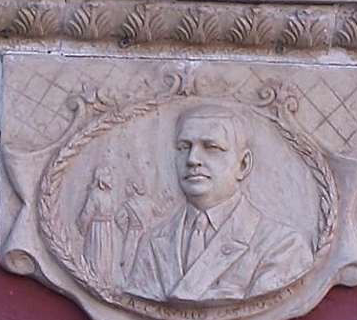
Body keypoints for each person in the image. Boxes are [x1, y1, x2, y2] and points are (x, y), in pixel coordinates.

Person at [126, 106, 311, 304]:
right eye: (183, 147)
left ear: (243, 165)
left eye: (211, 147)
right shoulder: (153, 241)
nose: (192, 159)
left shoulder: (283, 245)